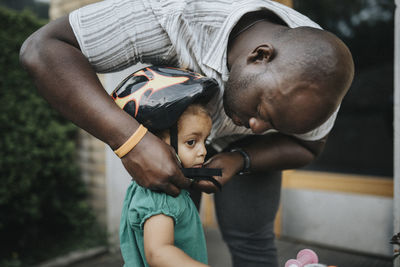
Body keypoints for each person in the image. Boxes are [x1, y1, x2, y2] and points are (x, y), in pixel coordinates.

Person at [19, 1, 355, 266]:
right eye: (263, 114)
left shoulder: (320, 81)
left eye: (276, 127)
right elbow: (43, 48)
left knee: (252, 240)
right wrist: (131, 142)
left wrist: (241, 159)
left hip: (247, 155)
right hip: (168, 142)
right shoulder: (173, 13)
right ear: (259, 56)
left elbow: (308, 148)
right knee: (174, 236)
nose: (256, 128)